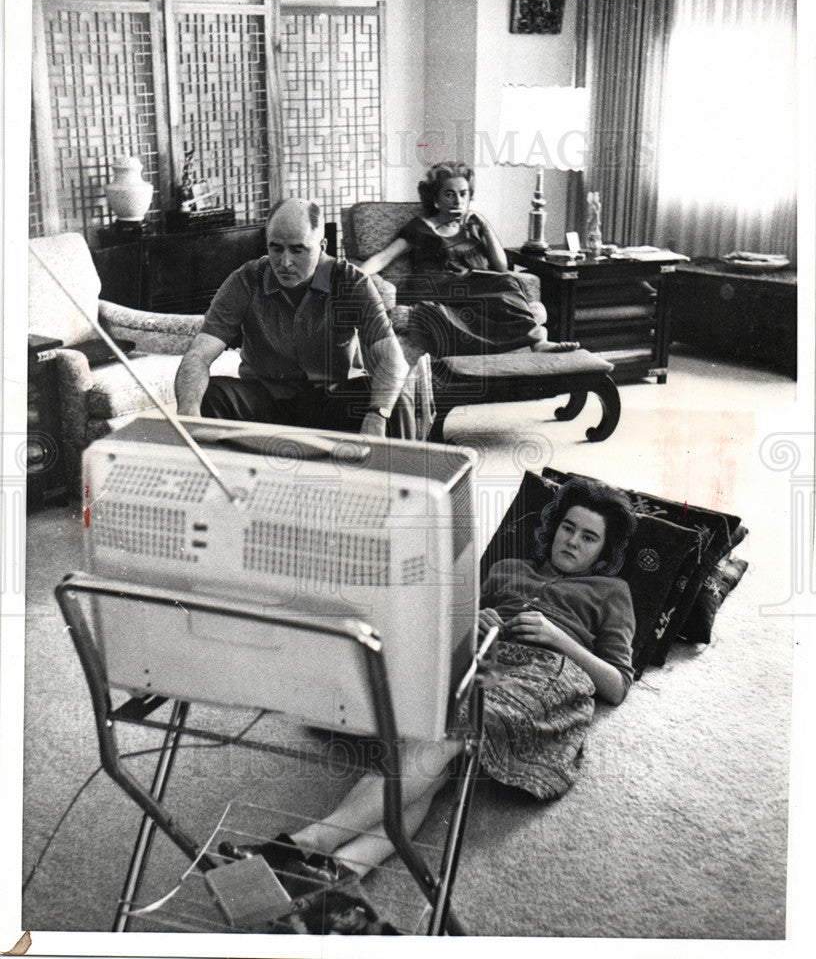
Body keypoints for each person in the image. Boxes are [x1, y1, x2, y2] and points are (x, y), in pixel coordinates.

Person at [218, 477, 637, 919]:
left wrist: (559, 638)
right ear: (553, 527)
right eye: (568, 528)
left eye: (589, 537)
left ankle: (307, 843)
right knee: (429, 757)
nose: (572, 541)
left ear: (604, 553)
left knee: (447, 731)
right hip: (485, 658)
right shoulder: (507, 568)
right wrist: (472, 618)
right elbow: (444, 617)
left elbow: (617, 683)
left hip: (544, 675)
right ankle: (339, 871)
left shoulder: (613, 594)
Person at [175, 198, 410, 438]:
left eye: (298, 250)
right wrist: (188, 411)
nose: (285, 262)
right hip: (264, 401)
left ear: (323, 246)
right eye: (276, 248)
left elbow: (393, 361)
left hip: (328, 403)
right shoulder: (245, 280)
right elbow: (198, 356)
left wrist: (377, 416)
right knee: (210, 395)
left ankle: (395, 475)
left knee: (390, 402)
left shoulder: (351, 282)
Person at [358, 161, 579, 358]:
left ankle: (529, 341)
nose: (458, 200)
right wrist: (352, 275)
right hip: (434, 286)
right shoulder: (422, 227)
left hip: (467, 293)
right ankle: (538, 340)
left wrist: (485, 227)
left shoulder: (473, 228)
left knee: (504, 287)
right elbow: (383, 258)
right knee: (508, 283)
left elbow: (501, 267)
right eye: (449, 194)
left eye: (464, 194)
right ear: (436, 200)